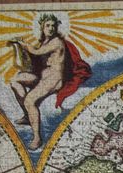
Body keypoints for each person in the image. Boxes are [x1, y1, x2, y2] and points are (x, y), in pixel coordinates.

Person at [9, 14, 90, 145]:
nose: (51, 28)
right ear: (42, 27)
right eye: (48, 25)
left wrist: (23, 44)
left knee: (29, 100)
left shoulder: (56, 41)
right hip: (43, 77)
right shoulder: (45, 42)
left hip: (54, 79)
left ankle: (37, 138)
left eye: (53, 25)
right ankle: (28, 115)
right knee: (15, 81)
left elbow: (36, 52)